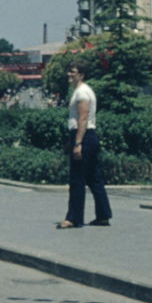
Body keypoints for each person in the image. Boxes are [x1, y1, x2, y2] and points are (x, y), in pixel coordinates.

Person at [57, 62, 112, 230]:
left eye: (72, 72)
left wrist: (78, 143)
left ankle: (74, 218)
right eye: (69, 71)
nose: (69, 74)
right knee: (93, 178)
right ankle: (103, 215)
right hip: (87, 136)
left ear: (81, 75)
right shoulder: (82, 91)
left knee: (77, 179)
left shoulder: (82, 93)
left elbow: (83, 118)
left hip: (84, 136)